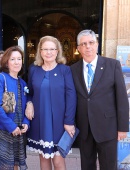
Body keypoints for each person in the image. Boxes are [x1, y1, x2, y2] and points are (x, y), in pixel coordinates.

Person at [70, 29, 129, 170]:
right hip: (84, 128)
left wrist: (122, 128)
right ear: (78, 48)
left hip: (108, 127)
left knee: (109, 166)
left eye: (91, 42)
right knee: (87, 166)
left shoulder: (112, 65)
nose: (88, 46)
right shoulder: (72, 70)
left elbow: (121, 98)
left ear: (97, 44)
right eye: (83, 44)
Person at [25, 35, 77, 170]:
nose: (49, 52)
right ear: (40, 51)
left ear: (58, 51)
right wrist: (29, 104)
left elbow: (71, 96)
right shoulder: (33, 69)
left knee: (58, 160)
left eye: (52, 49)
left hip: (60, 123)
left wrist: (69, 121)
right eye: (45, 49)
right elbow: (29, 93)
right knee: (43, 158)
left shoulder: (65, 70)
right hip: (40, 121)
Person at [0, 46, 30, 170]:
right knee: (3, 166)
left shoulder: (23, 83)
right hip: (2, 129)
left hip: (18, 131)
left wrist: (26, 123)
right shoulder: (1, 78)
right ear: (6, 62)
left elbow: (26, 105)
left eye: (19, 59)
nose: (17, 62)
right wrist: (11, 126)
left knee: (15, 164)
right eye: (13, 59)